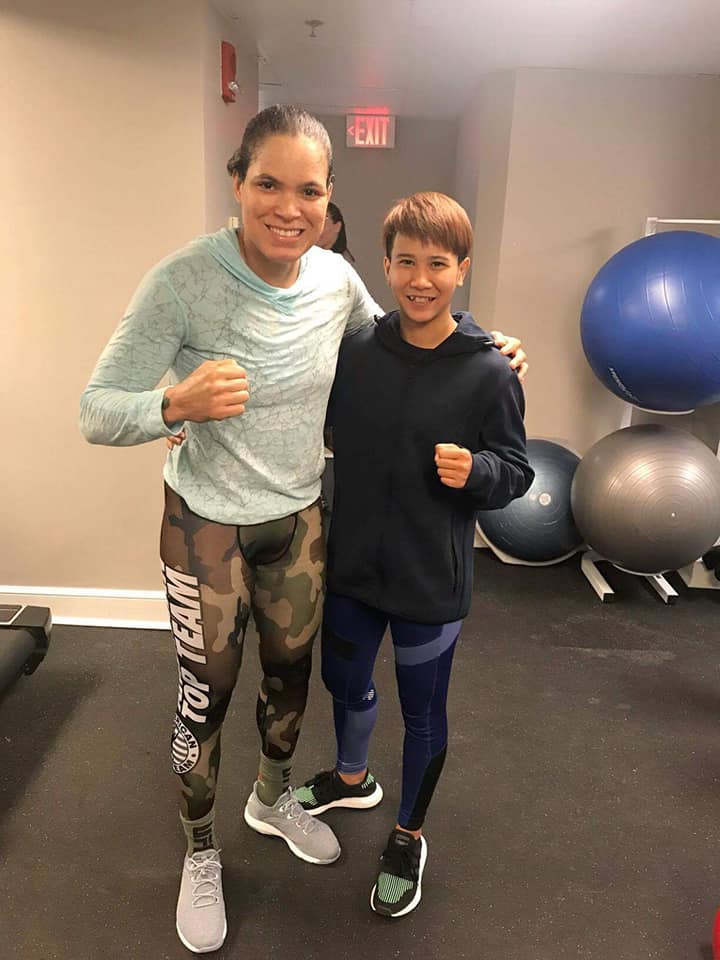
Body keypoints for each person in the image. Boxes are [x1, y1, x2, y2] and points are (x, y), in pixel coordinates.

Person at [79, 104, 528, 954]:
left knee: (291, 679)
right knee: (206, 691)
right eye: (269, 185)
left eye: (310, 191)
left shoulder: (333, 279)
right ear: (238, 185)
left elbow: (401, 343)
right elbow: (96, 411)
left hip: (299, 517)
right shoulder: (181, 280)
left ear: (329, 202)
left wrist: (488, 349)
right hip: (205, 523)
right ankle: (201, 848)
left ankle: (271, 795)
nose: (289, 207)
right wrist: (172, 404)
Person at [294, 192, 534, 919]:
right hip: (354, 568)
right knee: (342, 678)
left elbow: (517, 470)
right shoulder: (357, 351)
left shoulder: (491, 370)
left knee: (424, 713)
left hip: (431, 579)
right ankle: (351, 775)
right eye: (405, 262)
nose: (420, 279)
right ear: (387, 266)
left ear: (462, 269)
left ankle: (408, 834)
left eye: (437, 264)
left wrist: (481, 473)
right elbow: (300, 410)